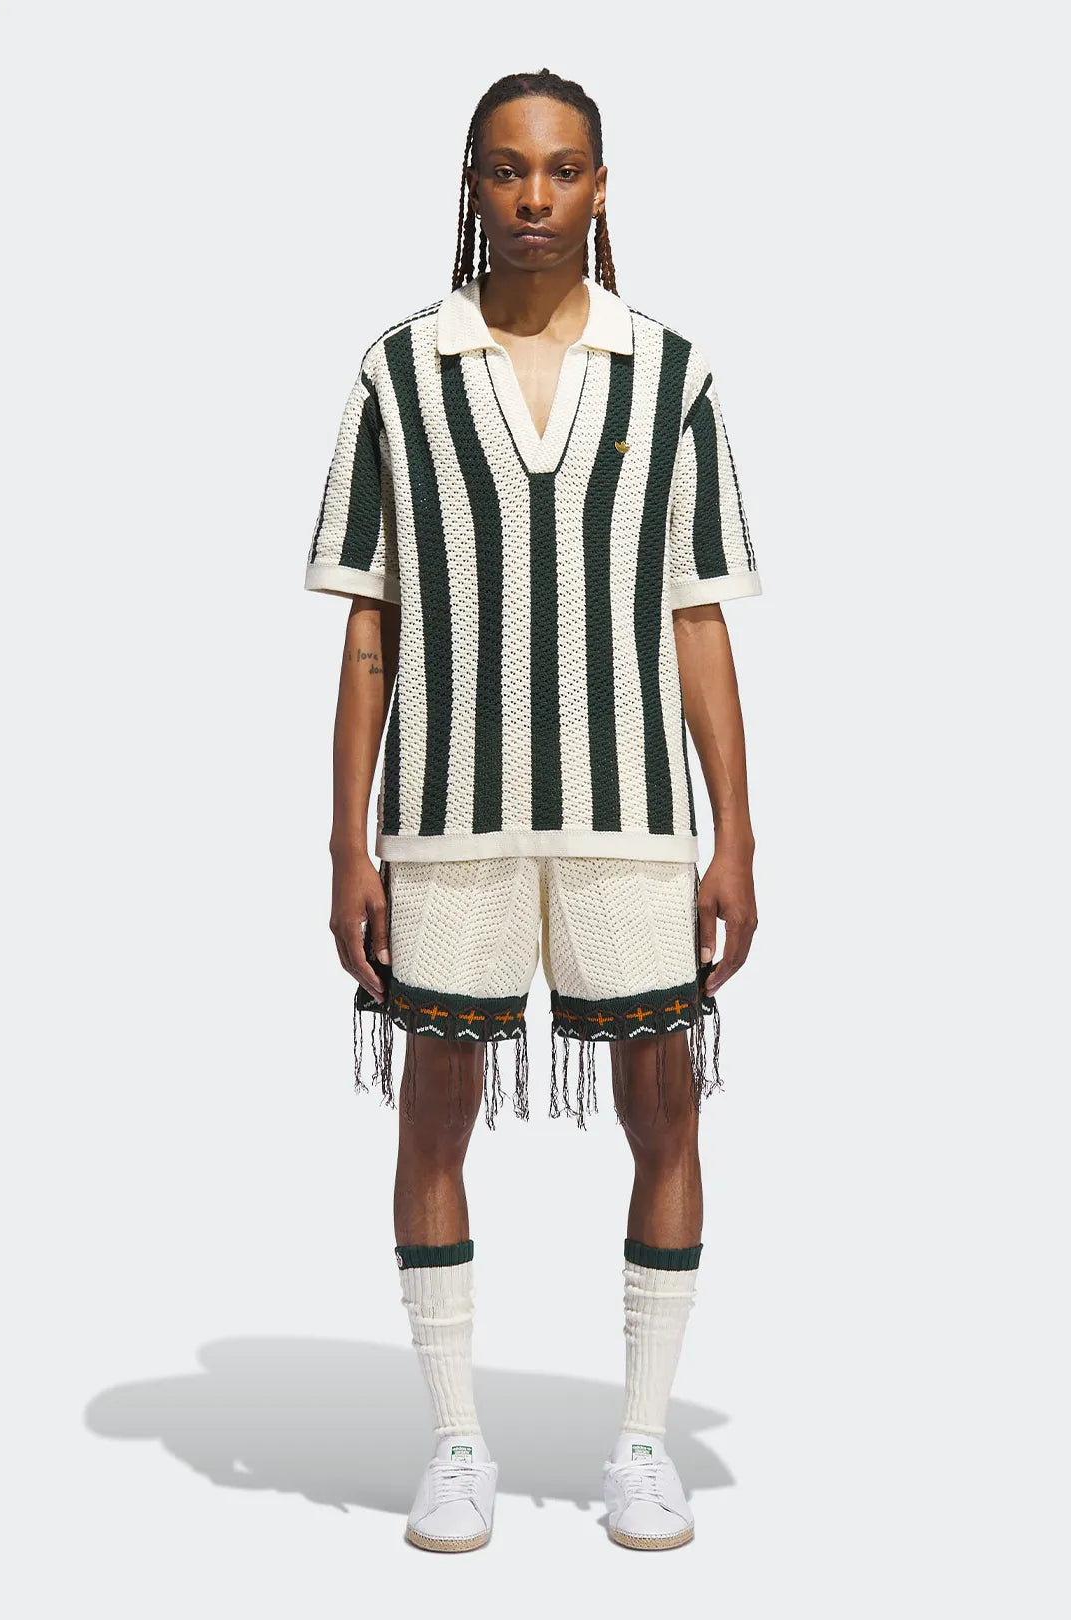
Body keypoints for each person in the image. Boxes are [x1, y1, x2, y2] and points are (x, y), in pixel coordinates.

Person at [304, 67, 761, 1553]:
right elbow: (370, 627)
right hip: (447, 822)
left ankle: (641, 1441)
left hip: (634, 822)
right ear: (474, 185)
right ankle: (455, 1441)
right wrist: (348, 841)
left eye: (564, 170)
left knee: (664, 1104)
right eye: (509, 170)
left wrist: (737, 835)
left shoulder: (671, 373)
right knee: (435, 1108)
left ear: (602, 186)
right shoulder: (402, 371)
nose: (536, 197)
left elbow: (698, 618)